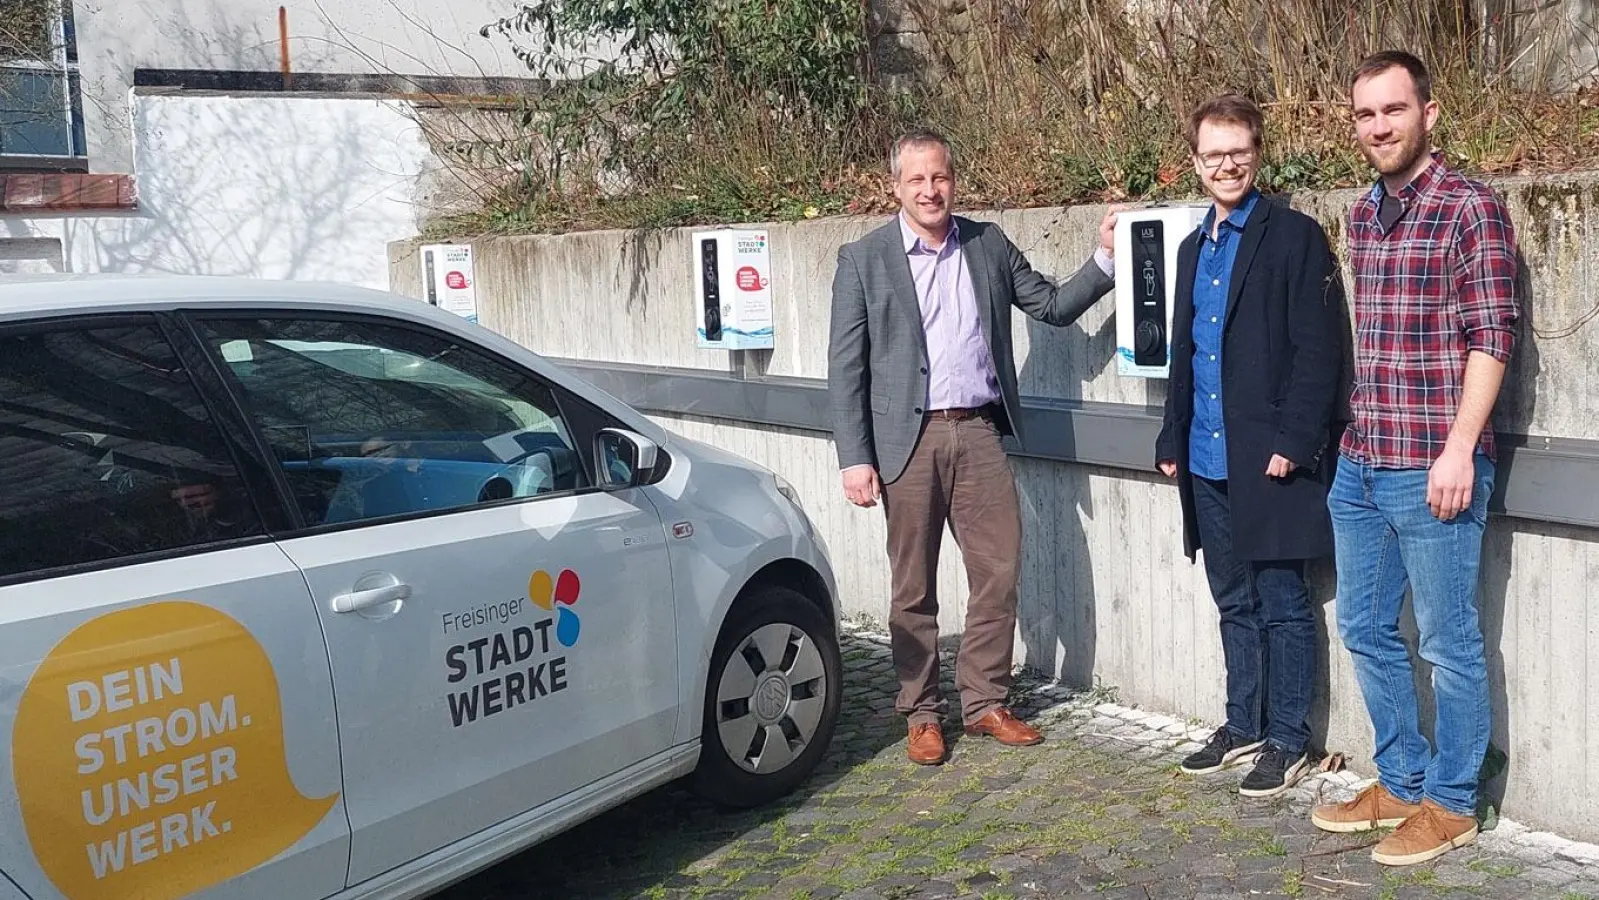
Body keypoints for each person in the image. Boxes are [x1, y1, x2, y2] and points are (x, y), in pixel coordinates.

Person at [827, 127, 1118, 766]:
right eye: (917, 180)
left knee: (999, 569)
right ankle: (922, 712)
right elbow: (846, 366)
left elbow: (1051, 306)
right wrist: (855, 456)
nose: (931, 190)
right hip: (907, 438)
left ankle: (985, 701)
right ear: (896, 186)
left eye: (941, 177)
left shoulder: (987, 244)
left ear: (953, 180)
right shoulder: (864, 258)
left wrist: (1106, 261)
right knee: (913, 584)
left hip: (980, 430)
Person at [1309, 51, 1519, 866]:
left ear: (1427, 113)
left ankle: (1452, 803)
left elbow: (1491, 337)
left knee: (1446, 641)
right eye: (1364, 115)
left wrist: (1459, 449)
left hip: (1432, 465)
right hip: (1360, 464)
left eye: (1392, 111)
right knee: (1362, 628)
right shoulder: (1363, 214)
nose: (1378, 128)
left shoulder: (1470, 208)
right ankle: (1399, 779)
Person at [1154, 94, 1344, 798]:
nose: (1226, 164)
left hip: (1268, 458)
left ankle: (1288, 739)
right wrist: (1169, 434)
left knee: (1282, 602)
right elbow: (1187, 352)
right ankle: (1242, 724)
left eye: (1238, 151)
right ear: (1195, 163)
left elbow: (1317, 348)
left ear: (1257, 153)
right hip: (1205, 458)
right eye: (1213, 154)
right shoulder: (1188, 249)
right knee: (1231, 599)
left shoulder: (1292, 236)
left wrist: (1295, 441)